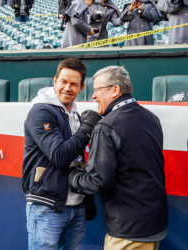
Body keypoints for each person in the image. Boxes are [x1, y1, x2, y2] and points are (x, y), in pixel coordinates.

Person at [69, 65, 168, 250]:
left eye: (97, 90)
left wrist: (72, 176)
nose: (93, 96)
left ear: (115, 90)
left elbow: (97, 181)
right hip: (154, 224)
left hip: (128, 232)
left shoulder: (106, 126)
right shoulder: (152, 118)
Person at [22, 58, 101, 250]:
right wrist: (86, 129)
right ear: (55, 80)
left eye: (74, 84)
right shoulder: (41, 111)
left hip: (76, 205)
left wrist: (87, 197)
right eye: (64, 81)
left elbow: (79, 158)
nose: (67, 88)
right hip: (47, 205)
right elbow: (59, 155)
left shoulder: (74, 112)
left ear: (81, 88)